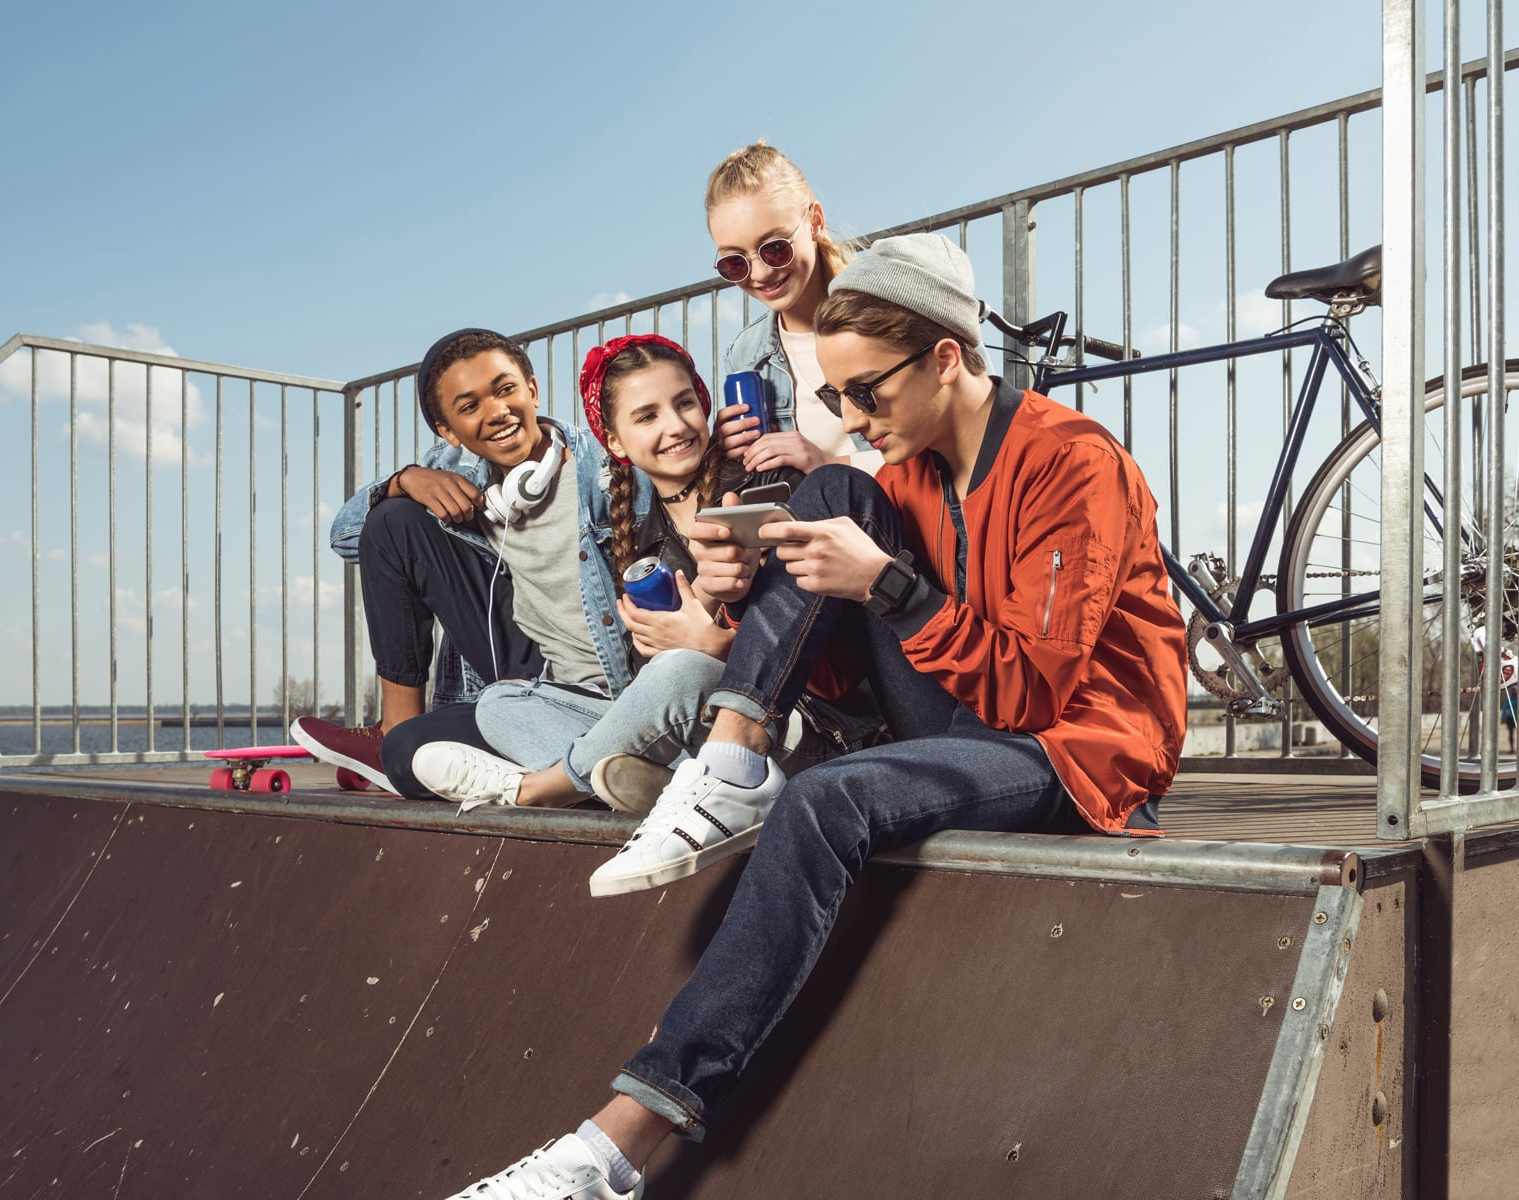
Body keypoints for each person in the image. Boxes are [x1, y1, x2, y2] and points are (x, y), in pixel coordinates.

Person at [439, 234, 1189, 1199]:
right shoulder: (906, 472)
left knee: (830, 800)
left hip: (1075, 751)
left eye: (866, 393)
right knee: (827, 491)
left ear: (948, 358)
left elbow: (1032, 693)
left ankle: (613, 1150)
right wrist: (751, 590)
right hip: (959, 723)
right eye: (835, 398)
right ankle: (729, 758)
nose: (852, 415)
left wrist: (889, 588)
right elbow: (853, 669)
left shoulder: (1070, 461)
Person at [411, 334, 875, 813]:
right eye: (647, 416)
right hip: (697, 729)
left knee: (681, 669)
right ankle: (670, 784)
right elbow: (647, 691)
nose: (675, 427)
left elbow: (825, 643)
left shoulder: (764, 484)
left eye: (684, 404)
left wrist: (714, 642)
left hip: (806, 729)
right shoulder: (635, 542)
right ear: (614, 441)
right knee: (500, 703)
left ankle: (539, 789)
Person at [292, 328, 638, 799]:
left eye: (505, 389)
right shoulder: (461, 477)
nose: (497, 412)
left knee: (425, 764)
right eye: (470, 406)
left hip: (620, 689)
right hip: (527, 687)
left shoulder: (607, 467)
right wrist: (403, 481)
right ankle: (400, 727)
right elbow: (348, 537)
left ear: (532, 390)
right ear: (449, 432)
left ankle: (562, 777)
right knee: (403, 750)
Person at [706, 141, 884, 479]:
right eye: (734, 263)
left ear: (816, 222)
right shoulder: (746, 355)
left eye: (774, 249)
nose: (759, 274)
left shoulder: (891, 310)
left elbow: (960, 436)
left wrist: (827, 465)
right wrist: (725, 453)